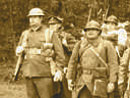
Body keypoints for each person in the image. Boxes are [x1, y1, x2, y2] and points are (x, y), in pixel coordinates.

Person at [16, 8, 65, 98]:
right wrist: (19, 51)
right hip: (29, 73)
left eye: (35, 17)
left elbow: (60, 55)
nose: (32, 20)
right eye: (30, 17)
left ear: (41, 18)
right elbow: (20, 53)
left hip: (44, 74)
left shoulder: (49, 33)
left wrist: (59, 70)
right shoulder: (25, 34)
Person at [66, 20, 118, 98]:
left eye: (93, 29)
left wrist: (112, 82)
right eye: (88, 30)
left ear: (98, 32)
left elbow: (113, 64)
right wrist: (69, 78)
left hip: (100, 83)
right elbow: (73, 62)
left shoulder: (107, 45)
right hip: (83, 82)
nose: (90, 31)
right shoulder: (80, 45)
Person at [48, 16, 72, 98]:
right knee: (54, 91)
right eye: (50, 25)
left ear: (59, 25)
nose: (51, 26)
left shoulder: (66, 36)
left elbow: (76, 50)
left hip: (65, 67)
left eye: (54, 24)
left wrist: (66, 45)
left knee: (66, 92)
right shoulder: (48, 36)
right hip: (53, 67)